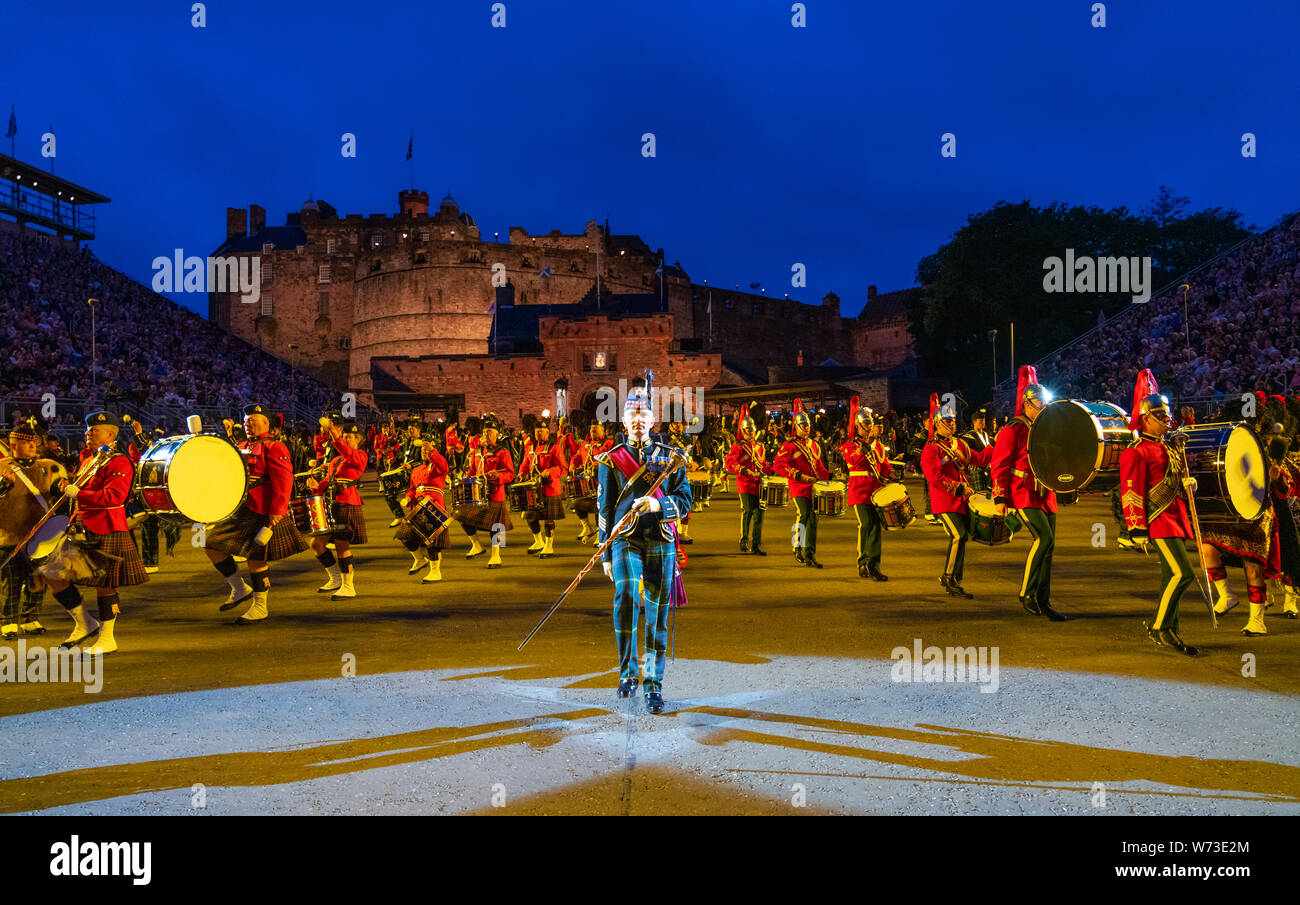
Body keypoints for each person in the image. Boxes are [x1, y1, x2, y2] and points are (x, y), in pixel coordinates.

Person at [596, 380, 692, 714]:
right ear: (624, 421)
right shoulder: (610, 460)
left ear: (652, 420)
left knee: (656, 612)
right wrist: (605, 552)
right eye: (632, 413)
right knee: (625, 596)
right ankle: (627, 673)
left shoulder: (670, 458)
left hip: (660, 539)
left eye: (644, 413)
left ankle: (653, 684)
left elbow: (685, 499)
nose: (638, 419)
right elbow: (604, 509)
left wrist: (657, 507)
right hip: (625, 538)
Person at [37, 412, 149, 655]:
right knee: (53, 574)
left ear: (110, 434)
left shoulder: (118, 461)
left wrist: (78, 494)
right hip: (83, 525)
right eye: (88, 429)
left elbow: (114, 497)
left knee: (105, 585)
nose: (88, 433)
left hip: (107, 526)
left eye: (95, 430)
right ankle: (84, 623)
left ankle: (107, 638)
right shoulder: (90, 459)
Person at [203, 403, 309, 624]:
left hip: (262, 509)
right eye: (246, 421)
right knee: (210, 543)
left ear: (265, 423)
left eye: (253, 420)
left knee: (256, 559)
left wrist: (277, 511)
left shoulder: (274, 446)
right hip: (241, 508)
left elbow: (284, 481)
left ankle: (260, 607)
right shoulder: (243, 445)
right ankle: (239, 588)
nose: (248, 424)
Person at [1118, 370, 1199, 655]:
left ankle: (1171, 629)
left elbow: (1173, 477)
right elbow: (1131, 492)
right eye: (1161, 417)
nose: (1168, 420)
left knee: (1171, 576)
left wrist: (1186, 484)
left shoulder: (1167, 447)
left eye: (1167, 416)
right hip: (1158, 519)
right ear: (1146, 420)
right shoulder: (1136, 451)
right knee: (1183, 574)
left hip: (1175, 517)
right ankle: (1159, 627)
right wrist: (1136, 528)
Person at [991, 366, 1065, 621]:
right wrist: (1000, 498)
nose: (1044, 406)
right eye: (1040, 403)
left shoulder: (1047, 427)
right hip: (1022, 491)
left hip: (1046, 493)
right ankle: (1027, 593)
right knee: (1043, 539)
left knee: (1050, 547)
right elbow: (999, 465)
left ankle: (1044, 600)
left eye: (1046, 402)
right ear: (1027, 404)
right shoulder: (1013, 429)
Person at [921, 395, 993, 597]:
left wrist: (998, 448)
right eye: (947, 421)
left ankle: (952, 578)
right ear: (937, 424)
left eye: (953, 421)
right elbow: (934, 477)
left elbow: (978, 459)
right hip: (943, 502)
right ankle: (949, 578)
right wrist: (959, 488)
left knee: (963, 537)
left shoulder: (959, 444)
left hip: (961, 500)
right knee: (958, 535)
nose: (952, 424)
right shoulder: (930, 449)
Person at [0, 420, 61, 639]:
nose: (33, 446)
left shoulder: (45, 465)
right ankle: (7, 621)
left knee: (37, 578)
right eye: (27, 443)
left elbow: (54, 492)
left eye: (34, 443)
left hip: (39, 534)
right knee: (12, 580)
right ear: (14, 444)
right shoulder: (2, 466)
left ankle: (30, 618)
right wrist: (3, 485)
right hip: (9, 534)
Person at [308, 419, 369, 600]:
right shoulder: (336, 459)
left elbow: (347, 452)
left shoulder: (360, 456)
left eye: (349, 437)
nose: (346, 439)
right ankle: (335, 578)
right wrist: (316, 486)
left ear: (358, 439)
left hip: (347, 503)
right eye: (345, 436)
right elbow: (327, 482)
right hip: (333, 504)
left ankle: (348, 586)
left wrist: (335, 435)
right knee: (316, 544)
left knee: (342, 545)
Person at [841, 397, 893, 580]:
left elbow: (883, 464)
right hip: (859, 490)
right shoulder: (850, 445)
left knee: (877, 526)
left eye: (870, 425)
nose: (869, 428)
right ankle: (862, 562)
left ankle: (874, 564)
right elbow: (852, 462)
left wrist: (892, 473)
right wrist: (865, 446)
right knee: (865, 524)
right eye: (865, 425)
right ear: (857, 426)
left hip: (876, 490)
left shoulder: (877, 445)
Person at [774, 398, 830, 567]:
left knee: (814, 518)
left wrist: (831, 477)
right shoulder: (789, 446)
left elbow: (819, 467)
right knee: (804, 514)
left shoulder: (814, 445)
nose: (806, 428)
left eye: (807, 425)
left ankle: (810, 554)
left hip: (813, 486)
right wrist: (797, 475)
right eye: (802, 426)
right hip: (798, 486)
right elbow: (778, 465)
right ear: (796, 427)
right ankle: (797, 547)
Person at [456, 415, 514, 569]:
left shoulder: (502, 452)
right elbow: (472, 470)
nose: (487, 435)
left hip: (495, 493)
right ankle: (476, 545)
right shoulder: (476, 451)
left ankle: (496, 555)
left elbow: (510, 474)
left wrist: (499, 475)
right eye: (485, 432)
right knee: (461, 516)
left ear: (496, 435)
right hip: (476, 494)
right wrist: (465, 479)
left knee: (496, 526)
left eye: (490, 432)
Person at [396, 441, 451, 583]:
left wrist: (432, 451)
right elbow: (412, 488)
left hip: (434, 504)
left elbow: (444, 466)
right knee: (403, 535)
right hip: (417, 506)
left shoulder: (438, 467)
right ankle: (420, 560)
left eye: (427, 451)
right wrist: (408, 498)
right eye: (422, 451)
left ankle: (435, 571)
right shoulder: (416, 469)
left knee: (431, 540)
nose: (424, 453)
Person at [519, 414, 568, 559]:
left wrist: (550, 472)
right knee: (529, 516)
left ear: (547, 433)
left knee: (548, 518)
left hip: (549, 488)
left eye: (541, 431)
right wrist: (522, 472)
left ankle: (549, 545)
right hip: (533, 489)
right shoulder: (530, 447)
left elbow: (562, 468)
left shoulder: (554, 448)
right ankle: (538, 541)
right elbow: (525, 463)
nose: (538, 434)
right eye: (536, 432)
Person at [725, 404, 769, 555]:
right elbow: (729, 463)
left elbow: (763, 465)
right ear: (742, 431)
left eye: (752, 429)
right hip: (744, 483)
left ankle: (756, 544)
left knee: (759, 514)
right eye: (747, 430)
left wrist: (775, 471)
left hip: (759, 484)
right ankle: (744, 541)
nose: (750, 432)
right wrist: (743, 470)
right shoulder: (738, 447)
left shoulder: (760, 447)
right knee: (747, 511)